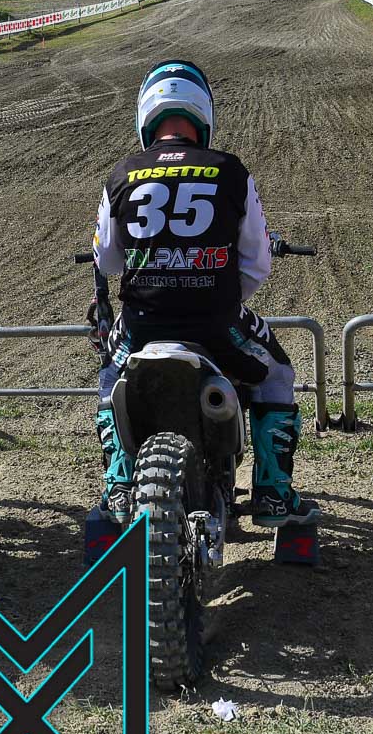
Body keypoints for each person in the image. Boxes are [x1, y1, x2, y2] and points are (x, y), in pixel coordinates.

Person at [89, 61, 317, 527]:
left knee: (111, 378)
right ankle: (273, 494)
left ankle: (117, 489)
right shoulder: (230, 171)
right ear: (203, 114)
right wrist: (222, 294)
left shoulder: (122, 173)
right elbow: (257, 262)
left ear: (146, 116)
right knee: (276, 374)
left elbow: (108, 261)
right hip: (217, 323)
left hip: (141, 324)